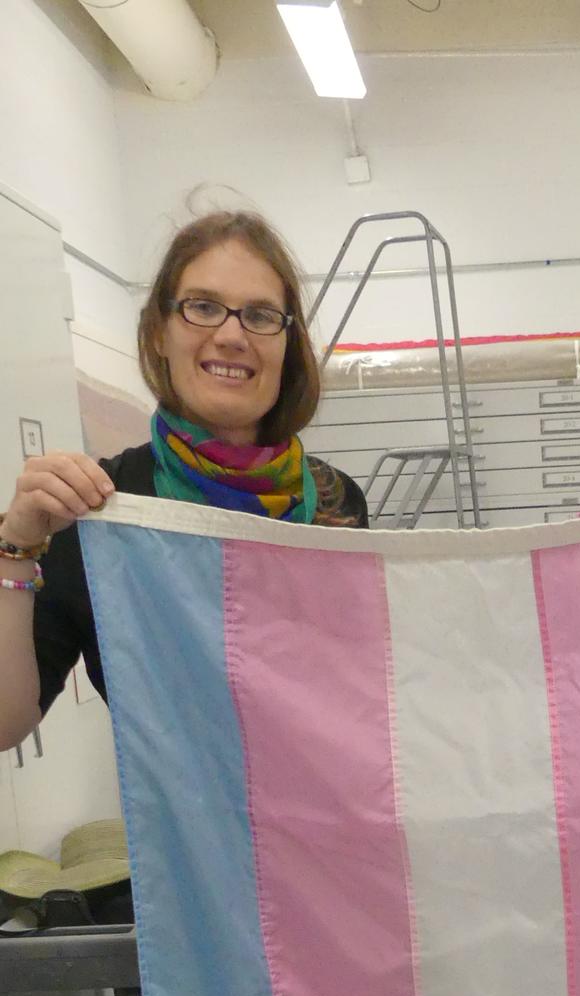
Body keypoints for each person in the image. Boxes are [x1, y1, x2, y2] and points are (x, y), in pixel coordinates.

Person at [0, 211, 367, 763]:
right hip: (189, 840)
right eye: (202, 306)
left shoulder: (336, 502)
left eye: (261, 315)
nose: (231, 335)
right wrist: (16, 547)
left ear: (287, 345)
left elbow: (364, 699)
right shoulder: (100, 509)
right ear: (158, 332)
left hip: (334, 831)